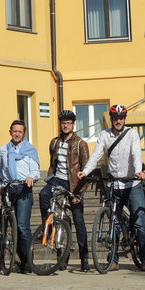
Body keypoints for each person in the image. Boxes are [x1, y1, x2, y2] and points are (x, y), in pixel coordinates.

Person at [77, 105, 145, 271]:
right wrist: (85, 171)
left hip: (132, 183)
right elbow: (96, 154)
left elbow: (135, 153)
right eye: (115, 118)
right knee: (114, 224)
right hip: (113, 184)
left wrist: (138, 171)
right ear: (111, 119)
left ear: (125, 119)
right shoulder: (104, 135)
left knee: (140, 221)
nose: (118, 121)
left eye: (121, 118)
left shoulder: (131, 133)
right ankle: (114, 260)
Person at [40, 110, 90, 272]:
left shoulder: (81, 144)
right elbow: (52, 165)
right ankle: (46, 228)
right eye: (63, 122)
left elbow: (86, 169)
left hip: (74, 182)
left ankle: (85, 259)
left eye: (68, 122)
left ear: (73, 124)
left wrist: (79, 193)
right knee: (43, 195)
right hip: (58, 179)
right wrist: (49, 178)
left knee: (78, 221)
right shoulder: (54, 142)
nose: (65, 125)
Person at [0, 120, 40, 274]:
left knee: (22, 226)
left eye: (20, 131)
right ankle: (7, 257)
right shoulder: (3, 150)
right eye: (14, 131)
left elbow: (35, 171)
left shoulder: (30, 150)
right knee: (8, 227)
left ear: (23, 133)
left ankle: (27, 261)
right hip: (9, 188)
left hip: (24, 188)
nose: (17, 134)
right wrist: (0, 184)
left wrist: (31, 177)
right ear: (10, 132)